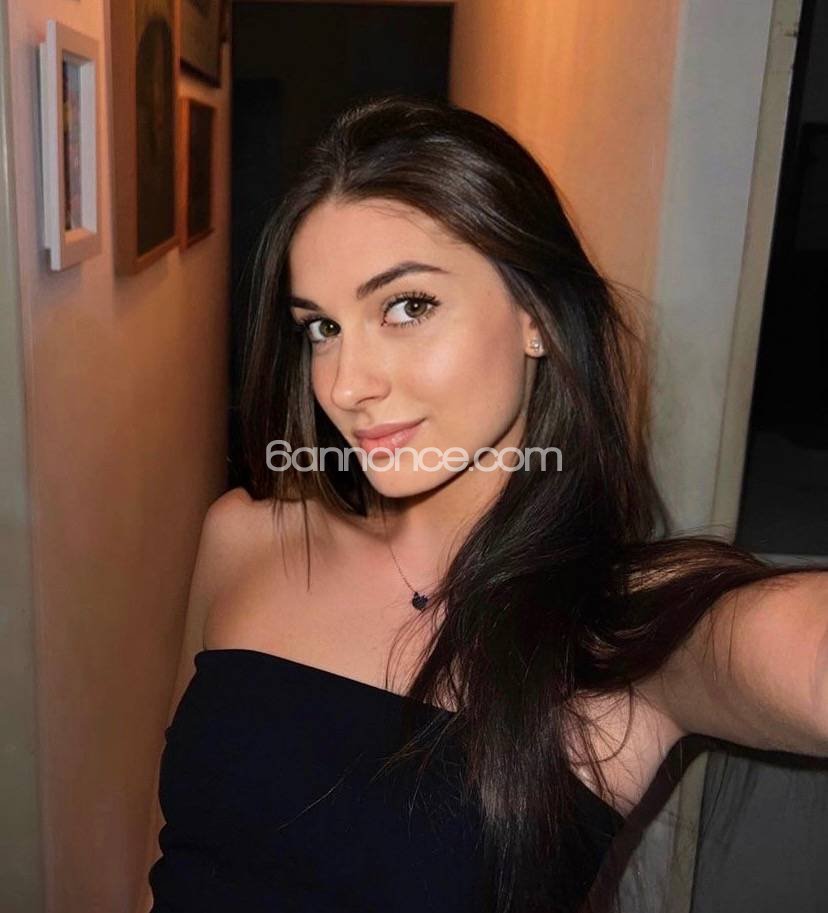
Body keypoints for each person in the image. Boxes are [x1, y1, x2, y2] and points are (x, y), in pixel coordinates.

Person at [145, 95, 828, 913]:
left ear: (536, 315)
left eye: (408, 306)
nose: (345, 384)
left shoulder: (628, 626)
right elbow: (168, 850)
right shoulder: (243, 538)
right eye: (322, 328)